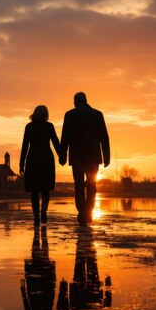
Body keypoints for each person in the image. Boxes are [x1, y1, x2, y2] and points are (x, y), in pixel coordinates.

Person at [56, 227, 112, 310]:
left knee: (87, 260)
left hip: (88, 294)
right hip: (81, 293)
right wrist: (63, 290)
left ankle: (85, 236)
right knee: (83, 259)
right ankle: (86, 235)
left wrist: (108, 291)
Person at [59, 92, 110, 225]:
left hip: (77, 157)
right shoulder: (97, 114)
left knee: (79, 186)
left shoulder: (69, 115)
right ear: (86, 100)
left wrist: (62, 156)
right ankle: (87, 212)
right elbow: (104, 137)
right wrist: (107, 157)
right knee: (92, 186)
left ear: (75, 102)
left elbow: (65, 138)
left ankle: (82, 213)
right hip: (93, 157)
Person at [19, 105, 62, 225]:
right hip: (46, 159)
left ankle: (36, 217)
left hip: (33, 159)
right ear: (46, 114)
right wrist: (62, 156)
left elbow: (25, 146)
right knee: (45, 189)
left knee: (34, 191)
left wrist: (21, 163)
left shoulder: (29, 127)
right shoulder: (49, 126)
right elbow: (55, 142)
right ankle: (43, 210)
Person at [20, 227, 59, 310]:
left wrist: (23, 291)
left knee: (41, 257)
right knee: (39, 256)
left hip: (43, 290)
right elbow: (27, 309)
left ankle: (40, 233)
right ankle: (39, 233)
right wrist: (23, 291)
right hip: (38, 290)